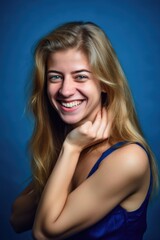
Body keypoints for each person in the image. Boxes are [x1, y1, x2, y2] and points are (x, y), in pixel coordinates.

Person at [10, 21, 158, 240]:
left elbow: (44, 233)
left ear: (105, 84)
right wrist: (70, 151)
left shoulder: (128, 159)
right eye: (55, 77)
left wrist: (70, 149)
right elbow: (17, 219)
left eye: (81, 76)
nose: (65, 90)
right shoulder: (75, 144)